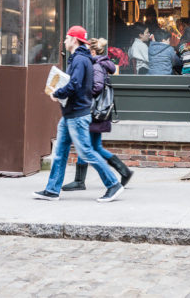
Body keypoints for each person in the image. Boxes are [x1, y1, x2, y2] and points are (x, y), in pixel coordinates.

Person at [33, 25, 123, 202]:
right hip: (70, 115)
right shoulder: (80, 59)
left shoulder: (80, 60)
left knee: (87, 152)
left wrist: (56, 93)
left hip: (77, 115)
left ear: (74, 39)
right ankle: (52, 190)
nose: (64, 41)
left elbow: (74, 85)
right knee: (59, 153)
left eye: (67, 38)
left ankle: (113, 184)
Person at [61, 38, 133, 192]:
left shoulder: (96, 65)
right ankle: (123, 171)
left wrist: (83, 93)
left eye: (87, 49)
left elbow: (98, 86)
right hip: (95, 113)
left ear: (92, 52)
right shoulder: (97, 63)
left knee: (87, 146)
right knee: (93, 147)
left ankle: (81, 181)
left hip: (93, 112)